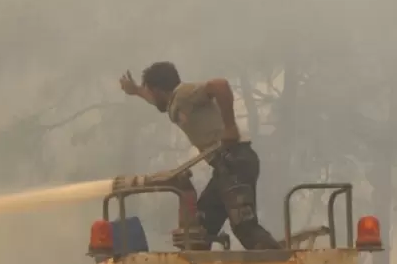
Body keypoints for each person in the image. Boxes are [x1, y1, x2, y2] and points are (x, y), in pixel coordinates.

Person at [119, 61, 281, 250]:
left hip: (235, 160)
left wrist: (230, 127)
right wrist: (137, 91)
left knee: (244, 227)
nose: (152, 99)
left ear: (157, 89)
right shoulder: (175, 103)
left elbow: (220, 85)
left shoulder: (184, 93)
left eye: (150, 92)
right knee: (198, 232)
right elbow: (155, 99)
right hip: (224, 168)